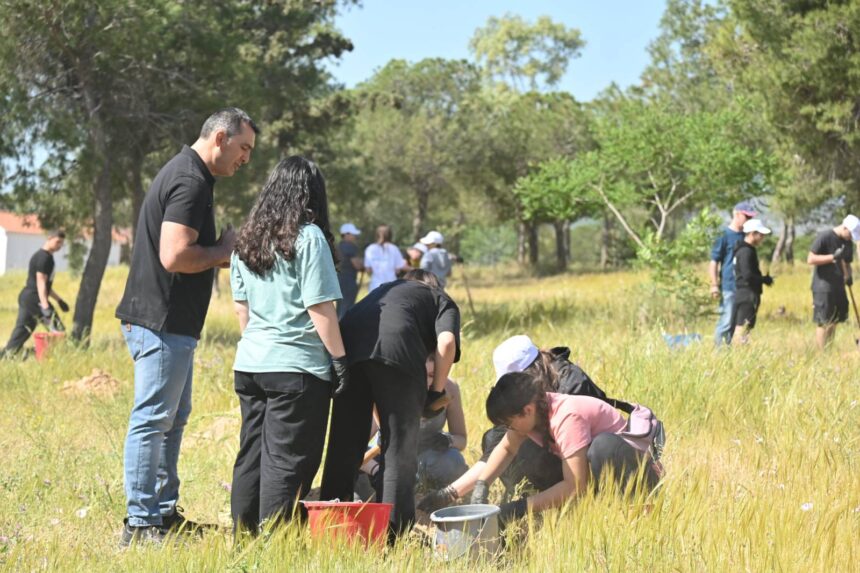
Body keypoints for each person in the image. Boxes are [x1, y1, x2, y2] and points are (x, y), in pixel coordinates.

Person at [115, 107, 258, 546]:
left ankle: (161, 511)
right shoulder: (191, 181)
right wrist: (224, 251)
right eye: (243, 148)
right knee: (153, 419)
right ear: (219, 137)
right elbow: (174, 256)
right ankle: (140, 524)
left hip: (169, 323)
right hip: (161, 322)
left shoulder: (191, 175)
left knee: (171, 419)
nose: (245, 159)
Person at [229, 156, 348, 535]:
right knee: (287, 461)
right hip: (296, 370)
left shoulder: (247, 238)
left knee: (252, 455)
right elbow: (320, 307)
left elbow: (241, 309)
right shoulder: (308, 236)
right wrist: (340, 361)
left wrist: (260, 345)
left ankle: (244, 538)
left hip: (250, 363)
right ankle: (276, 545)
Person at [320, 269, 461, 539]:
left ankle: (329, 526)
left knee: (344, 445)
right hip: (397, 351)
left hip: (348, 347)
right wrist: (436, 391)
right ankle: (395, 536)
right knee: (399, 450)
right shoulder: (441, 299)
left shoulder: (383, 291)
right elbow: (447, 342)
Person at [418, 335, 608, 512]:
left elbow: (576, 480)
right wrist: (453, 492)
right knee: (493, 437)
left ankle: (545, 500)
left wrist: (520, 509)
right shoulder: (526, 403)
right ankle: (533, 495)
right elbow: (502, 448)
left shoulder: (572, 390)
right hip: (558, 457)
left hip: (591, 464)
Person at [470, 371, 660, 526]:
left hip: (636, 478)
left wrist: (520, 508)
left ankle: (632, 517)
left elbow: (574, 486)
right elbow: (507, 449)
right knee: (525, 454)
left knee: (601, 447)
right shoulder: (536, 412)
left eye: (510, 424)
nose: (510, 430)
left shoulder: (567, 417)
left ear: (527, 410)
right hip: (595, 475)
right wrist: (482, 485)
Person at [2, 230, 69, 357]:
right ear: (49, 238)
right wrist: (45, 306)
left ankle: (7, 355)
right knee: (58, 330)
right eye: (58, 242)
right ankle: (51, 356)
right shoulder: (43, 258)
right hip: (34, 298)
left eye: (62, 243)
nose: (59, 246)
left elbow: (46, 286)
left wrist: (59, 300)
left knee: (22, 331)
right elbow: (40, 282)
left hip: (30, 297)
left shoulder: (47, 257)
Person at [807, 214, 860, 350]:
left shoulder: (847, 242)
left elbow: (847, 262)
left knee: (835, 320)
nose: (850, 237)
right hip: (823, 286)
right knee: (823, 321)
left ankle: (828, 349)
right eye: (850, 234)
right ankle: (821, 353)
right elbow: (810, 259)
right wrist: (832, 257)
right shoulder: (825, 237)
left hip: (839, 286)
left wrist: (848, 277)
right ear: (844, 228)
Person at [709, 201, 756, 346]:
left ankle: (730, 353)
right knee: (726, 322)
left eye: (750, 218)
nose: (749, 220)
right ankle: (719, 355)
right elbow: (714, 262)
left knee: (741, 322)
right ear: (737, 214)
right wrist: (714, 285)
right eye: (746, 216)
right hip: (729, 286)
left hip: (743, 288)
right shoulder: (724, 235)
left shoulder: (746, 236)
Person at [731, 219, 774, 345]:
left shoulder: (741, 249)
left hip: (741, 293)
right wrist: (764, 279)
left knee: (743, 327)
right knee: (742, 328)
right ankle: (740, 356)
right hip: (747, 294)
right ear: (752, 233)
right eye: (760, 234)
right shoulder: (746, 251)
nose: (762, 238)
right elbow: (747, 275)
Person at [363, 225, 410, 292]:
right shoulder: (394, 248)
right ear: (390, 235)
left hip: (375, 286)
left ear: (376, 235)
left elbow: (368, 270)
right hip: (391, 287)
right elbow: (399, 269)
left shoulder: (370, 248)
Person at [336, 223, 364, 319]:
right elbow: (357, 265)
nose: (355, 237)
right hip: (348, 280)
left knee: (340, 309)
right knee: (346, 308)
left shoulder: (339, 246)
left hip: (340, 280)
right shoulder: (349, 246)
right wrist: (363, 263)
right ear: (346, 234)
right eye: (353, 234)